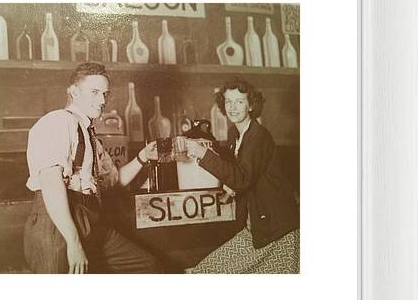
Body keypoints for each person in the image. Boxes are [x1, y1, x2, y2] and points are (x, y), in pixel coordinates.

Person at [24, 62, 161, 274]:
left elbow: (113, 181)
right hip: (57, 223)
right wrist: (73, 241)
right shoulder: (57, 121)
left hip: (88, 219)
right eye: (95, 92)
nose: (102, 100)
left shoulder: (91, 137)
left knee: (146, 265)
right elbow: (51, 182)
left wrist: (143, 157)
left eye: (105, 93)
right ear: (73, 92)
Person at [185, 77, 300, 274]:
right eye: (228, 102)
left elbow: (242, 178)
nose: (233, 107)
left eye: (239, 101)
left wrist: (203, 154)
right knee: (205, 271)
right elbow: (244, 176)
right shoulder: (236, 135)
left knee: (204, 273)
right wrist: (230, 188)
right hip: (258, 228)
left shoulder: (258, 135)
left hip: (280, 232)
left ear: (250, 105)